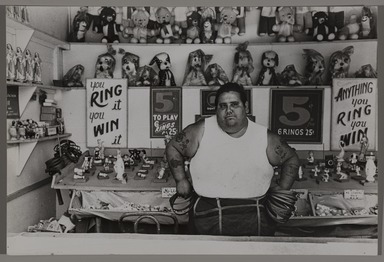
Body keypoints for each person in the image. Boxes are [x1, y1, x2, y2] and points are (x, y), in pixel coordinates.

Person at [166, 82, 299, 236]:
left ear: (246, 107)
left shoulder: (264, 137)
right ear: (216, 109)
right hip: (208, 214)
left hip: (256, 214)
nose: (228, 111)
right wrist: (180, 179)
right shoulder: (200, 130)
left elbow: (291, 158)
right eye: (223, 106)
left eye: (234, 104)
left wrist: (282, 190)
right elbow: (173, 147)